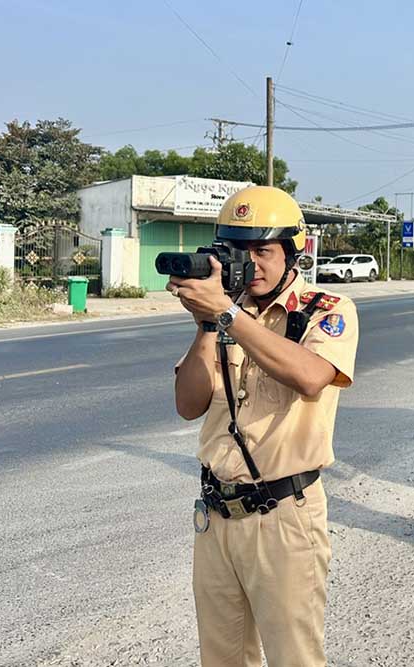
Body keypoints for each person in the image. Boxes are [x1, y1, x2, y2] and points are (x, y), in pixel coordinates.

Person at [169, 185, 359, 666]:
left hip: (283, 516)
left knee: (293, 657)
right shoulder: (225, 315)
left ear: (292, 253)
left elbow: (311, 377)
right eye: (239, 250)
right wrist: (205, 326)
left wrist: (227, 314)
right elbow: (188, 404)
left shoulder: (325, 309)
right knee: (221, 657)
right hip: (216, 516)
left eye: (263, 251)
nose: (250, 263)